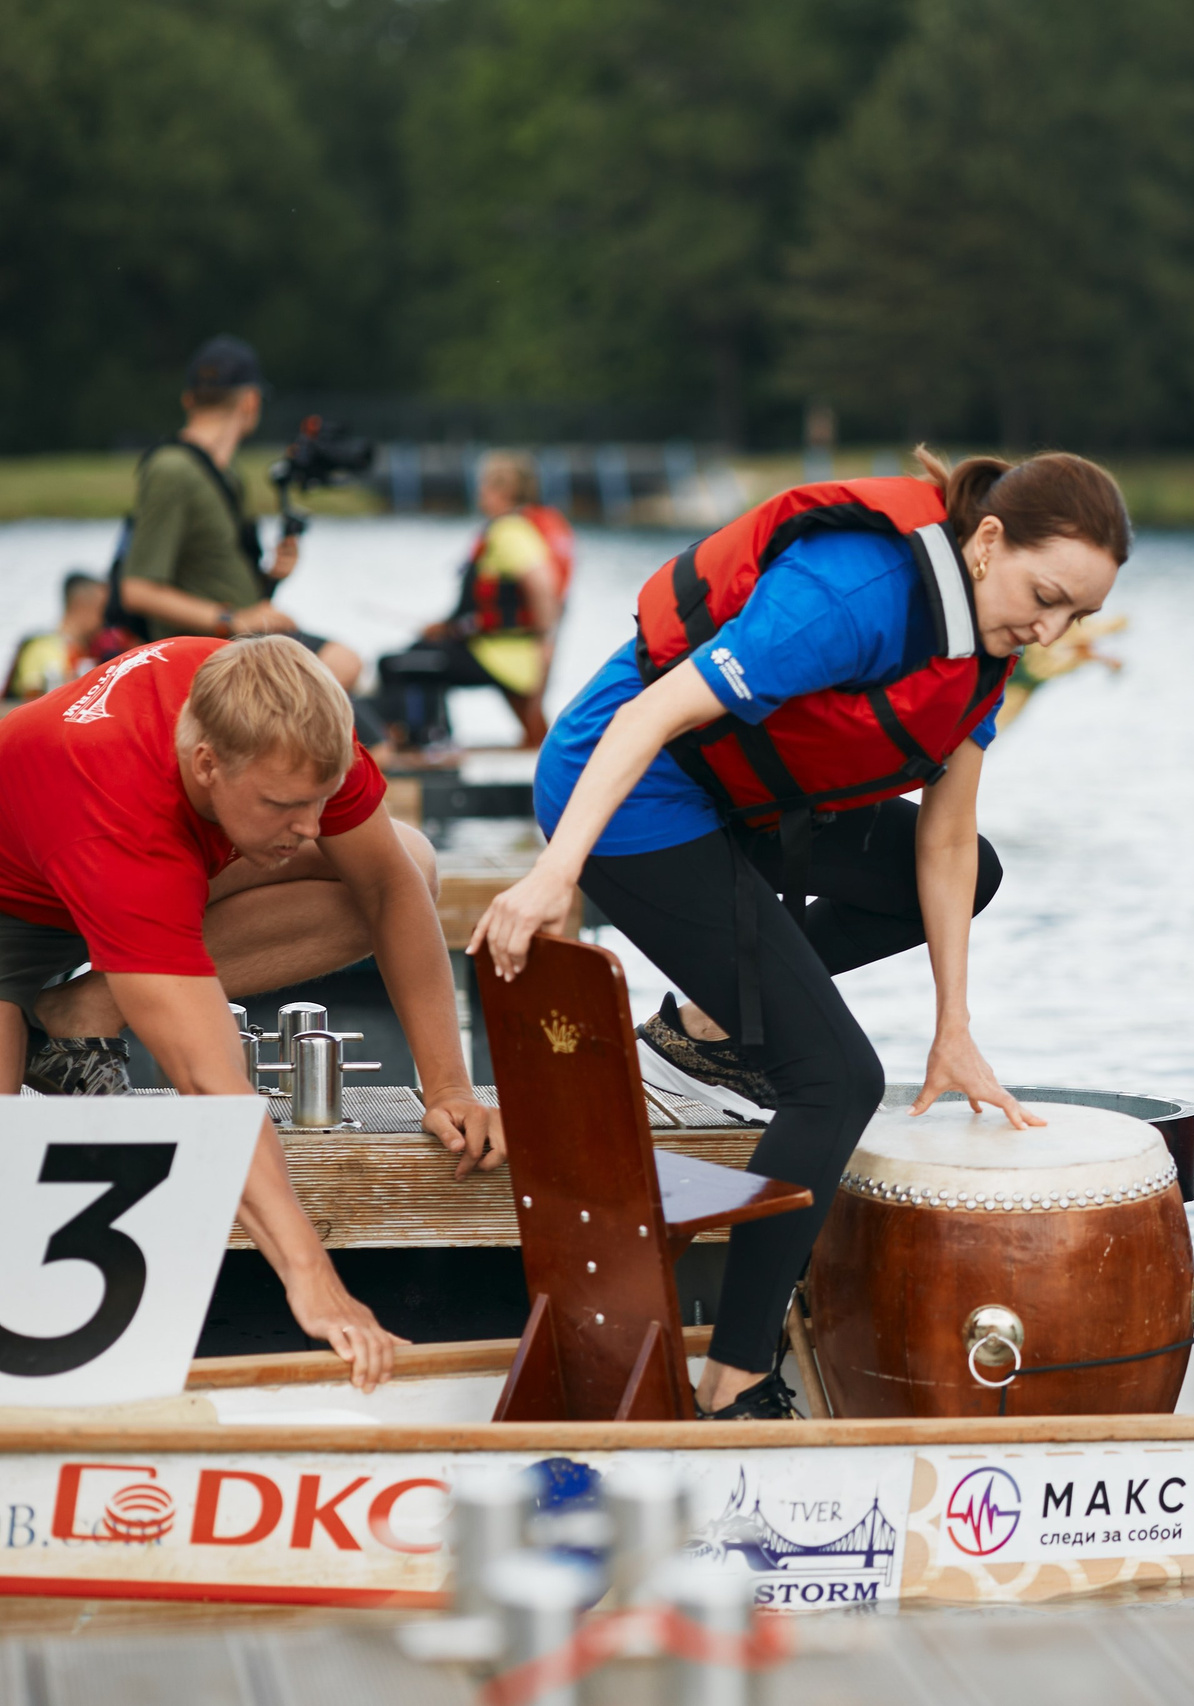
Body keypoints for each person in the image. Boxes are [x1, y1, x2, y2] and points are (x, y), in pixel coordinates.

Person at [470, 450, 1130, 1421]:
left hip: (748, 802)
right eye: (1045, 597)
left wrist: (953, 1025)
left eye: (1076, 614)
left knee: (978, 872)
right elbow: (650, 714)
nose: (1049, 630)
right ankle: (733, 1382)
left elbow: (946, 841)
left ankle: (703, 1032)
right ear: (988, 541)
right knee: (836, 1079)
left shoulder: (986, 647)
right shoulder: (851, 596)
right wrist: (552, 872)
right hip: (629, 796)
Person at [0, 637, 505, 1388]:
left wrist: (450, 1089)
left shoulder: (287, 713)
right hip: (20, 904)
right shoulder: (120, 810)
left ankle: (84, 1008)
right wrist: (311, 1277)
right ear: (207, 763)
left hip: (132, 858)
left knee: (407, 860)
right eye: (284, 806)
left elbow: (389, 889)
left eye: (321, 800)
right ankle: (81, 998)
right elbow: (212, 1085)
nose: (311, 827)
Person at [113, 337, 361, 692]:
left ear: (189, 399)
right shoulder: (171, 470)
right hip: (207, 651)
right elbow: (137, 590)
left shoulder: (227, 474)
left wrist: (272, 576)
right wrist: (231, 619)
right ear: (250, 402)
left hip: (241, 639)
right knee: (342, 664)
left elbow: (211, 574)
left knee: (341, 670)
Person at [376, 453, 573, 752]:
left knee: (399, 664)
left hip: (501, 655)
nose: (480, 492)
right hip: (498, 650)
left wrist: (545, 643)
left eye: (485, 485)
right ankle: (431, 738)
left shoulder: (509, 532)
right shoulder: (512, 529)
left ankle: (427, 745)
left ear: (503, 491)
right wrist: (446, 627)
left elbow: (542, 585)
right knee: (423, 651)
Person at [993, 613, 1126, 730]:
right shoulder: (1074, 627)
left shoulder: (1079, 650)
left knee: (995, 719)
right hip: (1020, 658)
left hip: (1025, 679)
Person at [7, 572, 107, 699]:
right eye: (102, 609)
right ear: (81, 605)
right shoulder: (43, 648)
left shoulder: (89, 652)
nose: (105, 619)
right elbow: (30, 701)